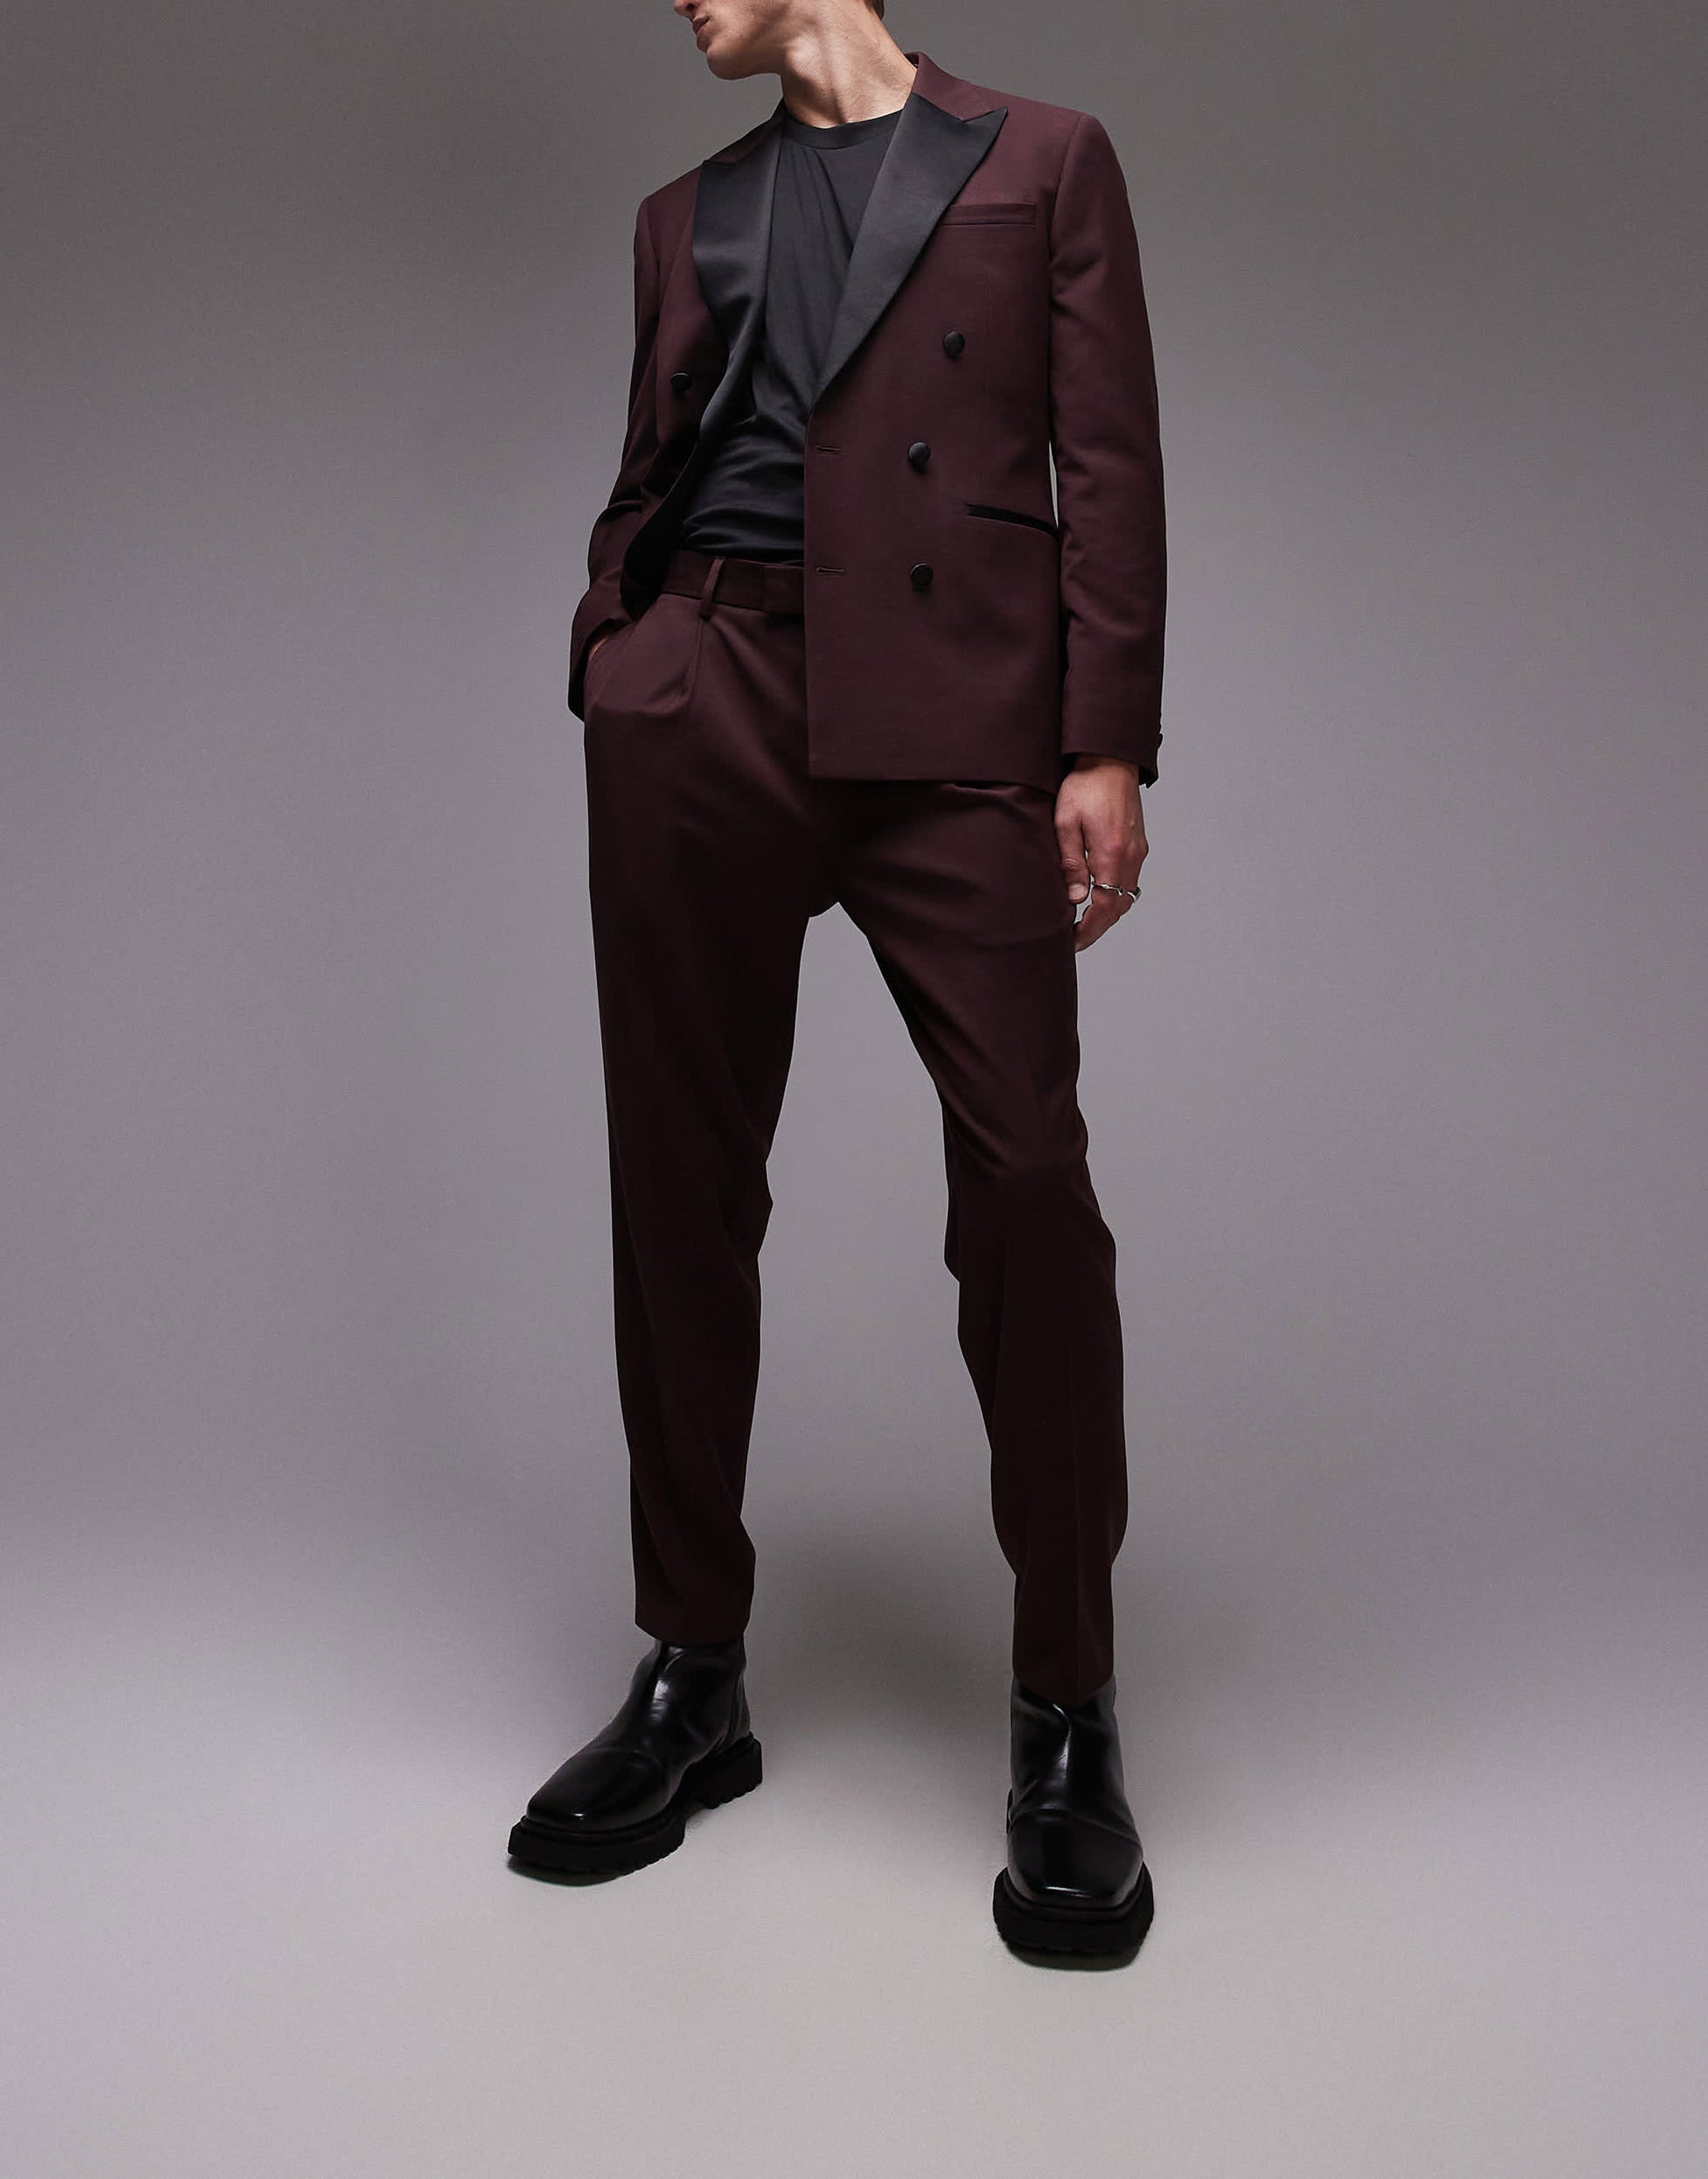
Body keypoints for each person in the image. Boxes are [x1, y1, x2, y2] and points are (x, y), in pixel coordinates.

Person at [507, 0, 1166, 1962]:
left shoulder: (1042, 159)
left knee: (1026, 1178)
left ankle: (1068, 1707)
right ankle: (690, 1670)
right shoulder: (681, 214)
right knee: (679, 1188)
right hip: (700, 700)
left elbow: (1108, 458)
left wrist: (1102, 736)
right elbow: (658, 457)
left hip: (952, 720)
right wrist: (616, 649)